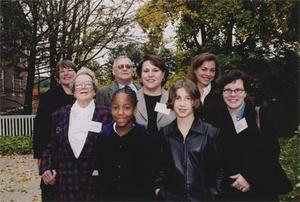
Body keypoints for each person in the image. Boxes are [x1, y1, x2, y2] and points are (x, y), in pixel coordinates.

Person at [215, 69, 292, 201]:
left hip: (261, 188)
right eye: (228, 90)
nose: (233, 94)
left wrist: (248, 177)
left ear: (245, 93)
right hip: (230, 190)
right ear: (222, 93)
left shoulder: (260, 115)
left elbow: (272, 152)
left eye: (238, 90)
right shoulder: (217, 118)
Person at [39, 67, 112, 201]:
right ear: (73, 89)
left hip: (95, 183)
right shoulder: (59, 115)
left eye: (88, 84)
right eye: (78, 84)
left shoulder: (106, 114)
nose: (83, 87)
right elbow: (51, 146)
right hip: (66, 182)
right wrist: (45, 168)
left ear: (94, 89)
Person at [154, 79, 222, 201]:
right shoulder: (165, 133)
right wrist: (160, 191)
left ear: (194, 101)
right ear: (172, 101)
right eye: (178, 98)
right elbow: (160, 167)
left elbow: (220, 169)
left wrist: (213, 194)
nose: (182, 104)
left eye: (188, 98)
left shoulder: (211, 132)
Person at [96, 87, 156, 201]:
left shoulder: (144, 138)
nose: (120, 113)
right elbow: (102, 172)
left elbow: (149, 176)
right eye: (115, 107)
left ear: (134, 109)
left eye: (127, 108)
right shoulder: (104, 136)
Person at [33, 59, 77, 201]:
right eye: (62, 71)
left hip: (78, 161)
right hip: (54, 156)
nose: (66, 73)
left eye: (69, 70)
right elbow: (40, 130)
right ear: (57, 76)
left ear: (76, 73)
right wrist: (41, 161)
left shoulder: (86, 96)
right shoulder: (48, 98)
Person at [135, 55, 175, 136]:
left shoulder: (173, 99)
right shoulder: (131, 99)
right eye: (146, 71)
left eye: (155, 70)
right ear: (140, 75)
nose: (150, 74)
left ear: (163, 74)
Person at [188, 52, 222, 124]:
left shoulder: (221, 94)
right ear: (195, 70)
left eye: (212, 70)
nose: (208, 74)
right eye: (204, 69)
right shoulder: (186, 92)